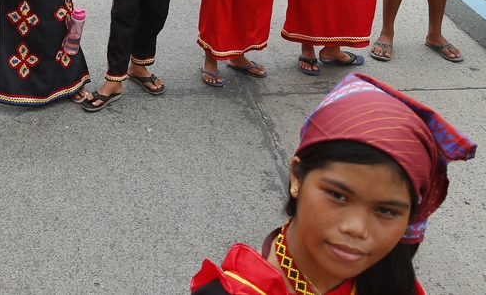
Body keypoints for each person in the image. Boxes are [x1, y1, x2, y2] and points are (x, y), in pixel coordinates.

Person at [191, 72, 476, 295]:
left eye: (387, 211)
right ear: (297, 176)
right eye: (338, 196)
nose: (356, 228)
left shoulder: (391, 281)